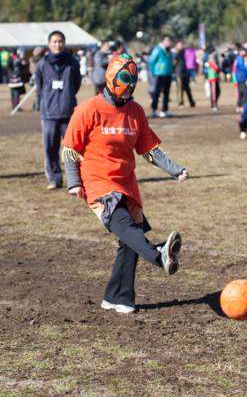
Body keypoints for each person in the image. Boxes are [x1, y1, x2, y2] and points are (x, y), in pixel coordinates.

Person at [62, 54, 189, 313]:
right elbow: (70, 149)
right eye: (124, 88)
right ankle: (160, 254)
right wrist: (74, 181)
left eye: (131, 89)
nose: (127, 94)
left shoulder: (135, 111)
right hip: (98, 183)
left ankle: (118, 298)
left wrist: (175, 170)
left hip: (127, 184)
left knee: (129, 242)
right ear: (111, 80)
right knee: (128, 228)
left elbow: (150, 150)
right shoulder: (88, 109)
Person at [35, 30, 81, 190]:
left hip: (69, 113)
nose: (57, 44)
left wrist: (66, 97)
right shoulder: (41, 64)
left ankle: (75, 180)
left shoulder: (73, 63)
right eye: (54, 41)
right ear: (49, 44)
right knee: (50, 148)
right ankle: (55, 179)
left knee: (72, 148)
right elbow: (40, 87)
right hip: (48, 114)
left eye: (60, 41)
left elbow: (76, 84)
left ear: (64, 43)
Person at [149, 35, 173, 117]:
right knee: (157, 92)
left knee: (166, 93)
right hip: (160, 74)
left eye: (170, 40)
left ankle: (164, 110)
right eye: (168, 40)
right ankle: (154, 110)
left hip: (168, 74)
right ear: (163, 41)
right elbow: (151, 61)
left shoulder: (169, 50)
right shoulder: (158, 49)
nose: (169, 41)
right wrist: (153, 72)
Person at [173, 40, 196, 109]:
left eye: (182, 44)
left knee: (188, 89)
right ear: (176, 45)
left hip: (185, 73)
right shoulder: (176, 54)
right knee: (180, 89)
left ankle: (192, 103)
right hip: (179, 74)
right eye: (180, 44)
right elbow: (174, 64)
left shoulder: (183, 52)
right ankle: (180, 103)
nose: (181, 46)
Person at [29, 46, 45, 111]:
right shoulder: (42, 60)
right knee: (38, 92)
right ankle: (37, 106)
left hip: (33, 77)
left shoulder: (31, 59)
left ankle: (35, 106)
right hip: (39, 77)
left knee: (36, 93)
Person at [235, 46, 247, 110]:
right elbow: (242, 67)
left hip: (240, 77)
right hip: (241, 77)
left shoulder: (238, 58)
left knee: (240, 91)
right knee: (245, 91)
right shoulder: (240, 58)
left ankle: (239, 105)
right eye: (243, 51)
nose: (245, 52)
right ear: (240, 51)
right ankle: (243, 105)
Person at [207, 45, 220, 111]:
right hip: (213, 78)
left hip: (215, 77)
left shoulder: (214, 58)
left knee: (218, 91)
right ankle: (214, 105)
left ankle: (215, 104)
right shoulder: (211, 59)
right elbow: (215, 68)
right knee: (214, 92)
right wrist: (221, 69)